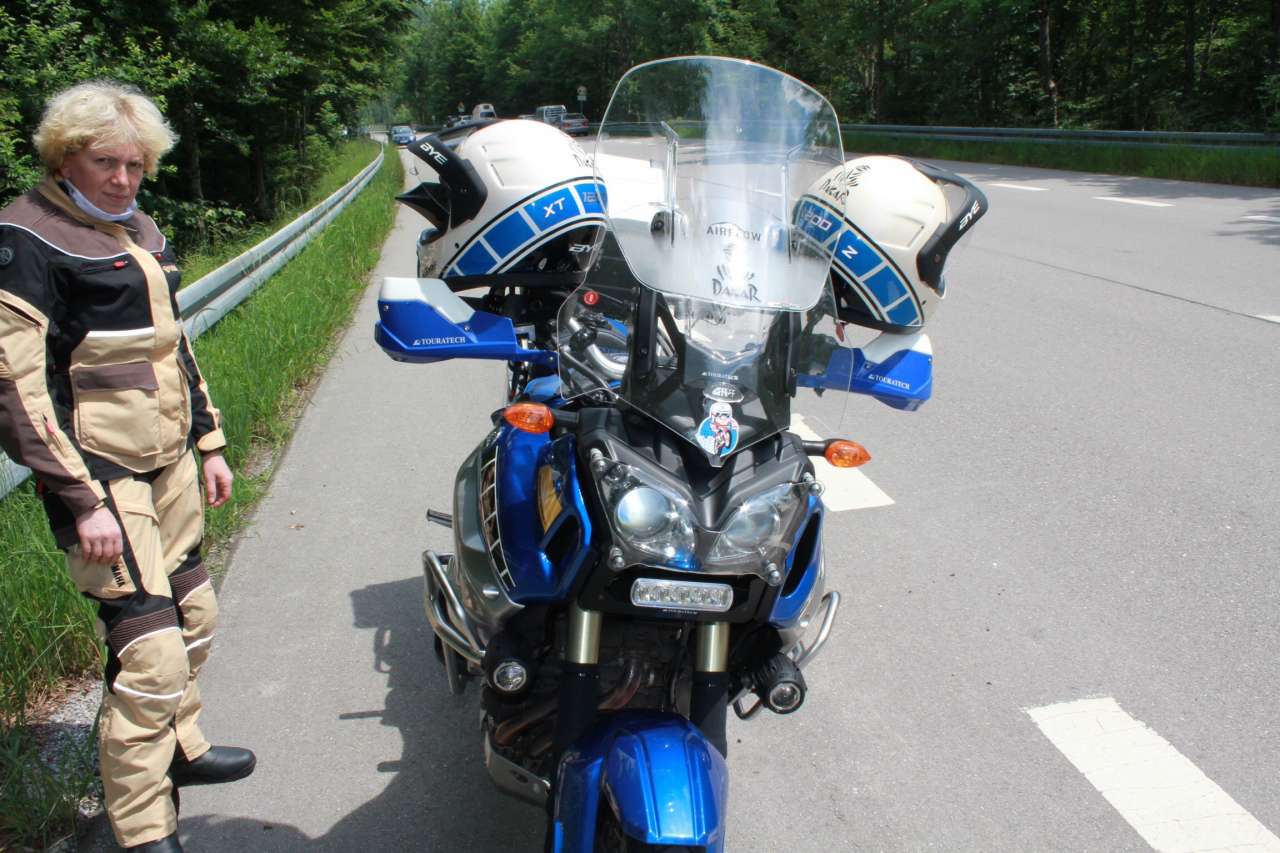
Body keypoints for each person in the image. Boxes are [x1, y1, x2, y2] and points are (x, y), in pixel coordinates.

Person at [0, 80, 253, 852]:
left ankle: (179, 747)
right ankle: (139, 826)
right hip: (100, 474)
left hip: (169, 459)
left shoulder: (139, 226)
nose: (122, 178)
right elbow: (15, 384)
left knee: (196, 618)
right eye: (105, 162)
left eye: (135, 164)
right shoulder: (27, 233)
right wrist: (82, 500)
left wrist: (209, 442)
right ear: (64, 158)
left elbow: (173, 345)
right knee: (149, 650)